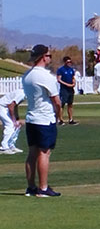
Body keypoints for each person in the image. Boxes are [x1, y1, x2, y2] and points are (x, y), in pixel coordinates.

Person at [22, 45, 63, 196]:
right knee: (44, 153)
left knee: (32, 153)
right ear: (43, 57)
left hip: (31, 119)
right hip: (44, 119)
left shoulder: (27, 75)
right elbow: (56, 101)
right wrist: (59, 116)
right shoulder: (46, 77)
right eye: (49, 55)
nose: (49, 58)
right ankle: (43, 188)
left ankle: (31, 187)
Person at [1, 86, 25, 154]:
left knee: (17, 125)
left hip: (5, 107)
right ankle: (4, 147)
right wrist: (13, 119)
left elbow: (15, 106)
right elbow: (10, 105)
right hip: (2, 107)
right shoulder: (22, 93)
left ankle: (11, 145)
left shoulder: (24, 93)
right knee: (10, 125)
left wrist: (17, 119)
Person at [56, 56, 78, 125]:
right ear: (65, 62)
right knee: (62, 105)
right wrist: (67, 84)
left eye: (70, 62)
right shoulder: (61, 70)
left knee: (70, 104)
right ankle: (60, 120)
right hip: (64, 89)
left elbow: (73, 77)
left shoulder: (71, 70)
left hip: (70, 89)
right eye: (68, 62)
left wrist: (74, 83)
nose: (69, 63)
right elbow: (59, 79)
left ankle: (71, 119)